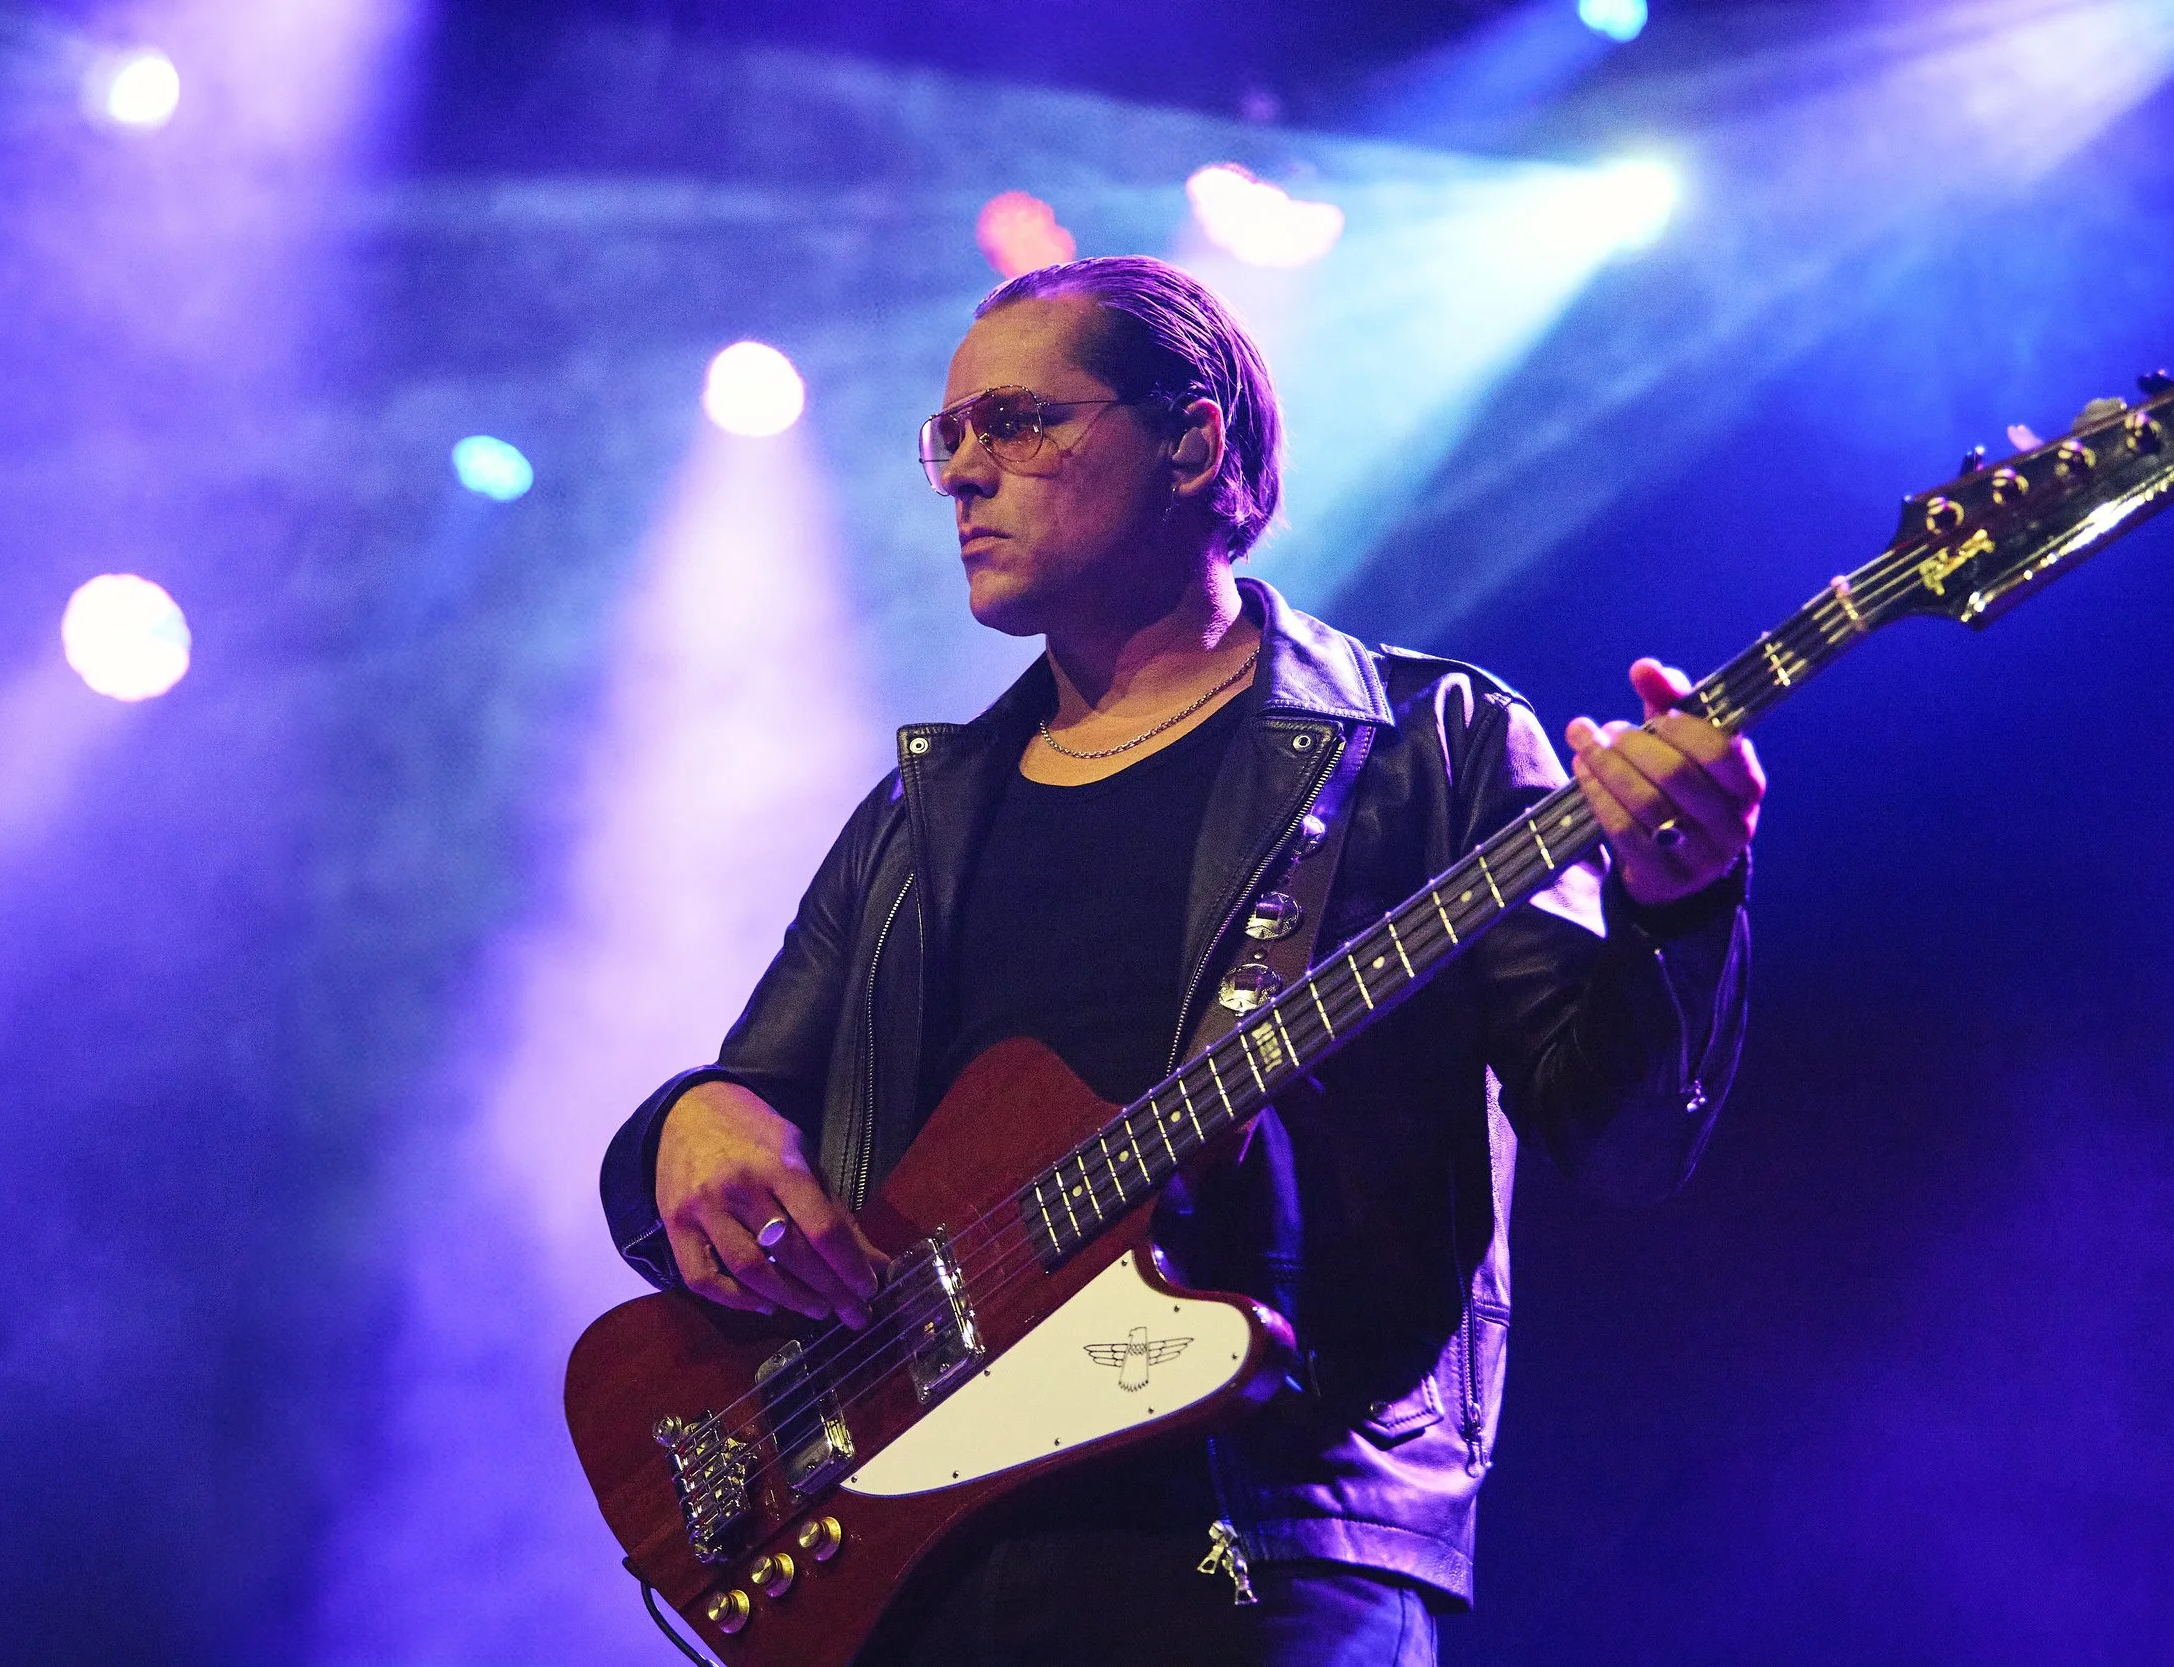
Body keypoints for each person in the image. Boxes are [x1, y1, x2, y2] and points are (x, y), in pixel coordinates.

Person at [600, 256, 1764, 1665]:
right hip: (927, 1561)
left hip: (1272, 1530)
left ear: (1194, 442)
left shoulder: (1431, 746)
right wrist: (689, 1120)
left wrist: (1680, 905)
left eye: (1017, 421)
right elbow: (746, 1112)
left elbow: (1627, 1146)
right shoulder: (923, 815)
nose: (961, 471)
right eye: (946, 435)